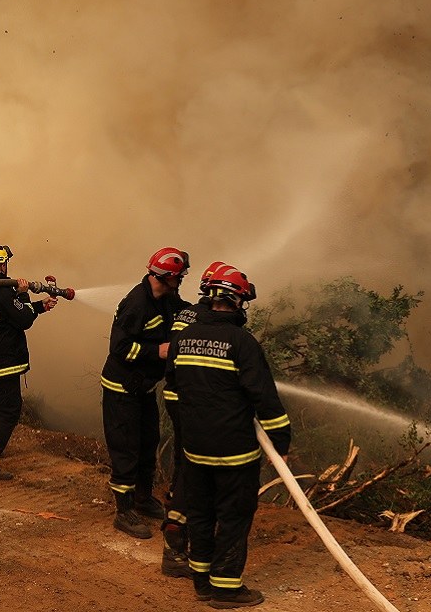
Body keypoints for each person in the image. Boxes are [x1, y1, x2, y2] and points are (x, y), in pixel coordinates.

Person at [162, 263, 290, 608]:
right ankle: (227, 588)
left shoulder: (183, 339)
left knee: (201, 513)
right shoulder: (242, 343)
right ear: (237, 303)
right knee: (234, 516)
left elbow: (173, 388)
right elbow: (264, 398)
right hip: (235, 453)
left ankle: (202, 581)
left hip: (195, 449)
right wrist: (282, 444)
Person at [100, 247, 191, 539]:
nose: (181, 281)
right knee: (125, 449)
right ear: (166, 277)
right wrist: (158, 350)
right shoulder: (136, 305)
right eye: (179, 277)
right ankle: (123, 511)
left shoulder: (165, 297)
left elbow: (183, 308)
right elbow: (120, 349)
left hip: (143, 387)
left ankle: (142, 498)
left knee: (148, 442)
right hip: (122, 388)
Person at [160, 260, 228, 579]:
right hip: (193, 400)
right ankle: (177, 537)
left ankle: (177, 508)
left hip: (176, 393)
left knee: (184, 458)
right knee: (195, 465)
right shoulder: (209, 320)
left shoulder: (186, 313)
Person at [0, 242, 59, 481]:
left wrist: (41, 305)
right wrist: (24, 293)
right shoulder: (1, 291)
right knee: (9, 410)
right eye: (5, 262)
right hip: (3, 361)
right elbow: (23, 319)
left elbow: (11, 314)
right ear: (0, 264)